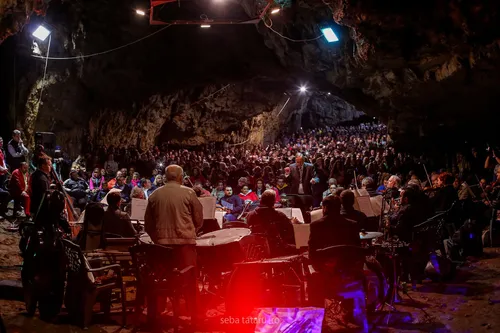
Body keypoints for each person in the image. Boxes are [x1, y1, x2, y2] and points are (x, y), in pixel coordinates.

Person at [144, 165, 203, 319]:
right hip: (185, 244)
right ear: (180, 177)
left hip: (162, 245)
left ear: (165, 177)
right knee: (190, 278)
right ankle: (193, 311)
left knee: (162, 277)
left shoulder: (155, 195)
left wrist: (157, 239)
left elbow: (148, 225)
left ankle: (159, 310)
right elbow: (198, 219)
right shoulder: (189, 193)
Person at [246, 190, 296, 257]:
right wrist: (292, 223)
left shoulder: (250, 215)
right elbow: (289, 233)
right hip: (276, 249)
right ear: (273, 202)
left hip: (256, 250)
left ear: (261, 200)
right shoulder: (279, 215)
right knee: (299, 248)